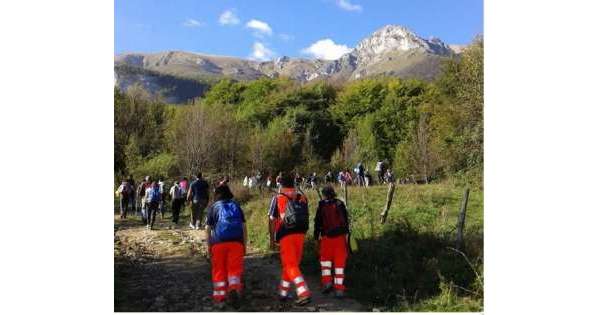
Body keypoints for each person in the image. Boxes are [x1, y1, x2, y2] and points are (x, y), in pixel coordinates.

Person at [268, 172, 312, 305]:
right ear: (294, 183)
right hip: (301, 233)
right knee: (291, 264)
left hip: (286, 234)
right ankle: (283, 293)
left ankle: (303, 293)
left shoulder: (279, 197)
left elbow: (271, 219)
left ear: (281, 183)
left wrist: (272, 239)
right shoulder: (302, 196)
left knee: (290, 264)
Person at [205, 184, 247, 309]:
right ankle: (233, 288)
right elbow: (244, 227)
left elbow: (207, 229)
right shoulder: (236, 206)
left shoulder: (214, 207)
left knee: (219, 270)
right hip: (236, 243)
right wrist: (244, 245)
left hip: (218, 243)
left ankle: (220, 297)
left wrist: (209, 246)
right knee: (234, 270)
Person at [313, 186, 350, 298]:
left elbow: (317, 223)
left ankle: (327, 283)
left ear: (324, 194)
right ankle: (339, 289)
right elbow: (346, 222)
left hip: (326, 238)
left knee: (325, 263)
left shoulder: (321, 205)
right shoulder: (340, 203)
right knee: (339, 264)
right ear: (333, 193)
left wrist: (316, 237)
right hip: (340, 238)